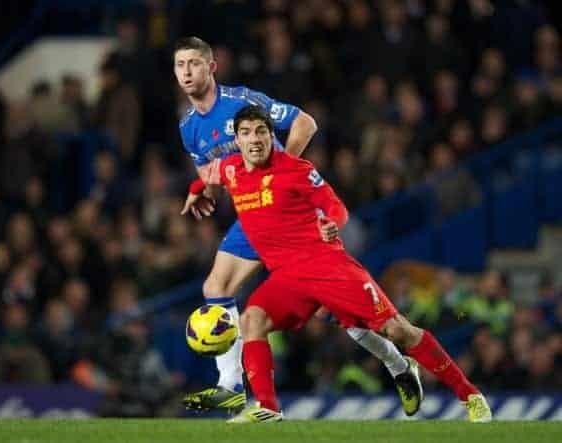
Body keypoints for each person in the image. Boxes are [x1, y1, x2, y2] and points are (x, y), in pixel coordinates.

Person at [189, 105, 492, 424]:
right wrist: (197, 193)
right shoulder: (231, 168)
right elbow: (208, 176)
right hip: (287, 277)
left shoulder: (295, 169)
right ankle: (268, 407)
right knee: (253, 318)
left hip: (327, 266)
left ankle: (470, 396)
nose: (255, 139)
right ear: (236, 139)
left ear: (271, 136)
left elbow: (336, 207)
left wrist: (331, 223)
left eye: (262, 131)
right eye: (247, 133)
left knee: (397, 330)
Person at [174, 37, 423, 414]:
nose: (188, 71)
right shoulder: (189, 127)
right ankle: (229, 384)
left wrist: (278, 176)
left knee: (341, 314)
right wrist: (202, 190)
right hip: (255, 220)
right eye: (181, 65)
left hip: (291, 220)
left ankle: (399, 364)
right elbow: (212, 173)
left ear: (212, 67)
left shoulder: (242, 102)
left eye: (195, 63)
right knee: (215, 285)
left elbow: (305, 123)